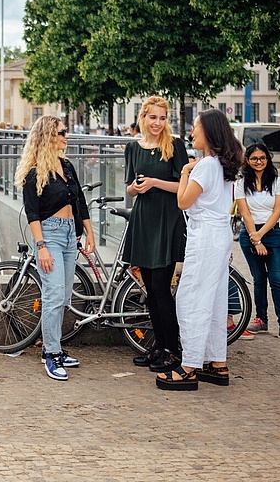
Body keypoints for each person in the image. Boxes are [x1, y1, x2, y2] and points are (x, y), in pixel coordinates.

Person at [157, 109, 243, 391]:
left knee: (191, 298)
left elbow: (183, 201)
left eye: (195, 127)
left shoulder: (205, 165)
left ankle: (189, 367)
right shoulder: (224, 164)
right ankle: (217, 362)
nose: (192, 132)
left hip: (204, 236)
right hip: (219, 235)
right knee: (215, 299)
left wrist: (184, 172)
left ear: (209, 132)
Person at [16, 116, 96, 380]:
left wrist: (89, 232)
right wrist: (41, 246)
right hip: (48, 234)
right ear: (48, 136)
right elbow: (32, 212)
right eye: (62, 132)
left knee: (63, 297)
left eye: (66, 132)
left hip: (69, 233)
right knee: (53, 296)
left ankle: (55, 349)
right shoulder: (35, 172)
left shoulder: (67, 166)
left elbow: (80, 201)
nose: (66, 136)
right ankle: (51, 353)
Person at [124, 97, 188, 372]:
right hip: (144, 219)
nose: (157, 123)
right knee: (150, 290)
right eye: (153, 117)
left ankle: (173, 349)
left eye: (162, 118)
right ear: (143, 118)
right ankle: (159, 346)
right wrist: (137, 188)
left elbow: (183, 188)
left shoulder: (175, 146)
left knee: (162, 289)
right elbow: (128, 186)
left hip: (167, 220)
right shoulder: (132, 147)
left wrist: (154, 183)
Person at [235, 143, 280, 342]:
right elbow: (245, 212)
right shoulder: (241, 184)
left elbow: (277, 212)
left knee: (277, 280)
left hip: (273, 233)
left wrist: (261, 235)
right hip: (250, 234)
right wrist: (255, 237)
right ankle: (261, 320)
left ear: (267, 159)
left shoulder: (277, 182)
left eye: (262, 158)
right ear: (247, 161)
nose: (258, 162)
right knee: (259, 279)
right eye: (254, 159)